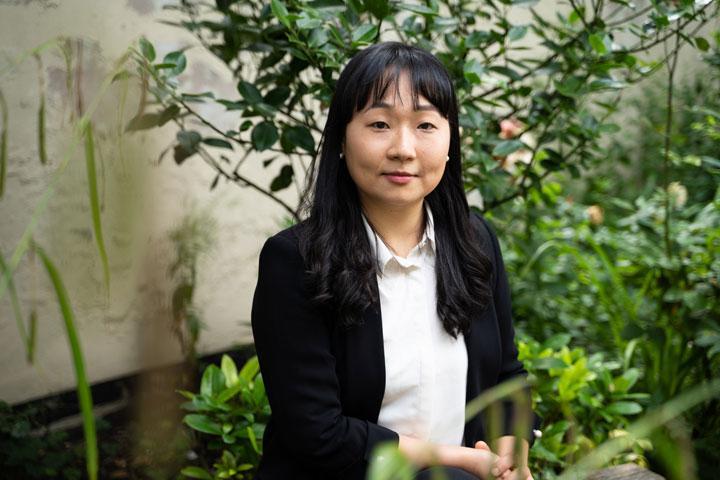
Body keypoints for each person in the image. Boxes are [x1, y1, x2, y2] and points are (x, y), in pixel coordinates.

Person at [251, 41, 539, 480]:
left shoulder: (474, 241)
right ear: (342, 140)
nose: (404, 148)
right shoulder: (296, 261)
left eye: (425, 125)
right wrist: (459, 460)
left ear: (449, 142)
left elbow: (506, 375)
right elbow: (318, 433)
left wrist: (508, 454)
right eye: (380, 124)